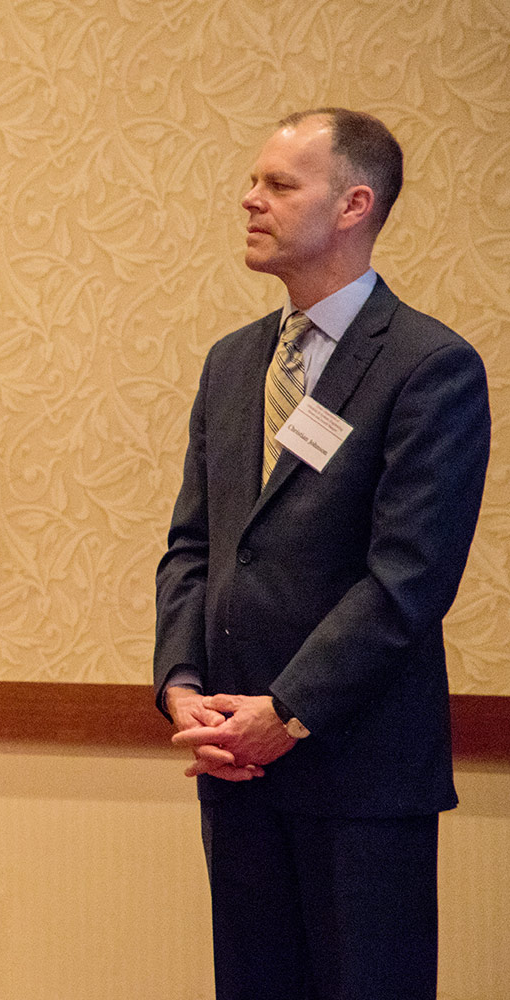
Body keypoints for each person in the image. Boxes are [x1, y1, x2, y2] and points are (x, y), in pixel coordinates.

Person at [153, 109, 491, 1000]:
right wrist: (182, 686)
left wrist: (289, 711)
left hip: (360, 775)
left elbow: (406, 582)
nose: (248, 199)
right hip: (235, 765)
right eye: (254, 181)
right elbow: (196, 546)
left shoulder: (428, 366)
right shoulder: (235, 362)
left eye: (278, 184)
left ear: (353, 205)